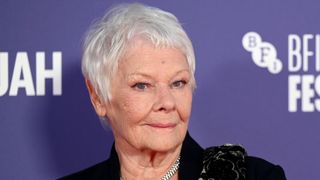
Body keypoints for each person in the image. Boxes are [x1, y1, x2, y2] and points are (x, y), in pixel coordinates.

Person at [60, 3, 286, 180]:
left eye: (178, 83)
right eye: (142, 85)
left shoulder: (253, 176)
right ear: (98, 96)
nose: (166, 102)